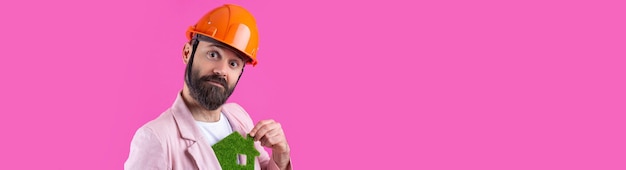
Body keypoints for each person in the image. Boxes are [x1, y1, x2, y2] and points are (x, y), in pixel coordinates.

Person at [124, 4, 292, 170]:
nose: (221, 70)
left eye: (233, 63)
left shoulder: (237, 118)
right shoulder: (157, 139)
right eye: (213, 54)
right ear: (187, 53)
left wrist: (281, 156)